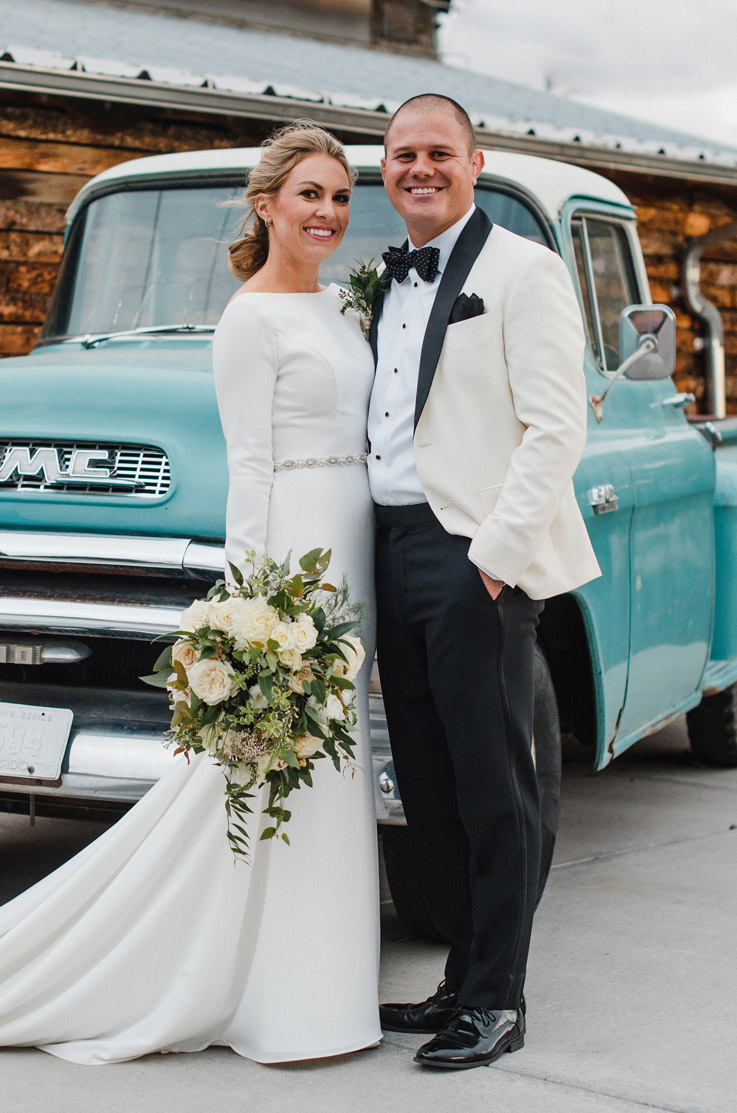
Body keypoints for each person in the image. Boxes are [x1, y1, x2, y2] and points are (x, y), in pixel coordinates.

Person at [0, 123, 381, 1065]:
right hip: (297, 547)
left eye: (338, 197)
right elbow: (250, 469)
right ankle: (267, 993)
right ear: (266, 206)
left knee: (331, 771)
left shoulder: (339, 305)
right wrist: (255, 611)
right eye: (308, 196)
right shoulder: (250, 318)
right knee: (279, 760)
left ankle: (322, 987)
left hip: (356, 535)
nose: (328, 213)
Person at [369, 94, 601, 1071]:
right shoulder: (384, 280)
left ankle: (498, 1000)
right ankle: (459, 979)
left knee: (491, 784)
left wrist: (492, 562)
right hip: (386, 546)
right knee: (424, 779)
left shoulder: (524, 269)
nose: (416, 169)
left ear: (472, 162)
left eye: (436, 154)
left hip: (470, 558)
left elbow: (556, 428)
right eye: (400, 155)